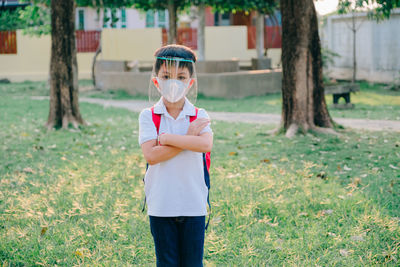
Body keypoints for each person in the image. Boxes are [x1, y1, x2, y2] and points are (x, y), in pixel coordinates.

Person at [138, 44, 213, 267]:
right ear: (156, 81)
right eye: (166, 76)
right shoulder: (148, 116)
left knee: (193, 263)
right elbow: (151, 155)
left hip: (193, 204)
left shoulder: (199, 115)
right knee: (166, 262)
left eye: (181, 77)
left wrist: (169, 138)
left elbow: (205, 144)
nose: (173, 82)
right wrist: (189, 138)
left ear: (190, 83)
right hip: (161, 204)